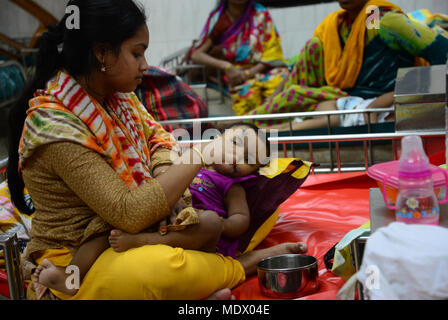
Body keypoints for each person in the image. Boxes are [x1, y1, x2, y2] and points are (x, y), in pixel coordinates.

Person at [7, 0, 306, 300]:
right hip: (79, 254)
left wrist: (165, 178)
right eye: (136, 53)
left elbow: (158, 140)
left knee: (205, 224)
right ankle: (238, 267)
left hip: (133, 230)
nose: (145, 65)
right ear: (102, 54)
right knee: (161, 269)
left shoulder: (119, 98)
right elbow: (128, 213)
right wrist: (199, 156)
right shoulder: (56, 127)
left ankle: (201, 283)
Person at [247, 0, 448, 129]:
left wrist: (425, 102)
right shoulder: (337, 24)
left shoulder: (377, 19)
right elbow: (300, 65)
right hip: (340, 99)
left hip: (378, 103)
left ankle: (248, 122)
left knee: (293, 96)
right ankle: (252, 120)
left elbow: (442, 51)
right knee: (310, 51)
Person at [109, 123, 268, 258]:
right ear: (218, 138)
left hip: (198, 232)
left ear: (252, 171)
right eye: (235, 143)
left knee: (210, 223)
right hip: (169, 217)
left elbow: (241, 216)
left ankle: (140, 241)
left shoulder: (233, 186)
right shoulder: (190, 160)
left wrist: (224, 225)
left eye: (248, 159)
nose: (237, 155)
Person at [190, 0, 289, 116]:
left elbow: (272, 53)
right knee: (247, 94)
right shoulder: (219, 18)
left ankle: (280, 127)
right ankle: (252, 128)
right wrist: (226, 66)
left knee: (282, 80)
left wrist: (248, 73)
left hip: (263, 68)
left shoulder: (261, 14)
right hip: (235, 73)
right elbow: (196, 54)